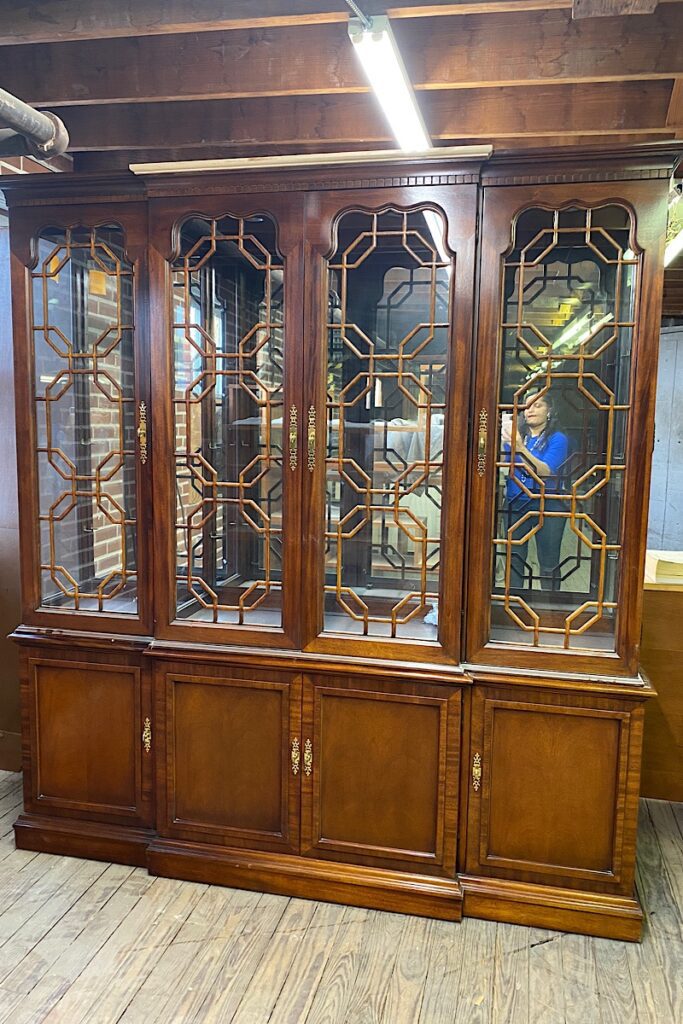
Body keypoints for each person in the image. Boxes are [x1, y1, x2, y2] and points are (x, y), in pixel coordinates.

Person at [500, 390, 569, 592]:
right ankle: (513, 606)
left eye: (538, 405)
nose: (531, 410)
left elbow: (545, 472)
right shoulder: (515, 436)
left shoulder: (558, 439)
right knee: (514, 559)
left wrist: (520, 448)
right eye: (527, 406)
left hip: (548, 503)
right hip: (516, 501)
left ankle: (550, 609)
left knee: (548, 561)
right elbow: (507, 467)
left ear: (549, 410)